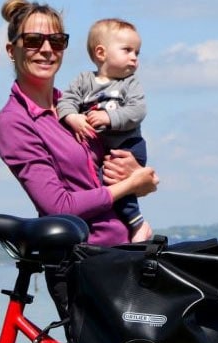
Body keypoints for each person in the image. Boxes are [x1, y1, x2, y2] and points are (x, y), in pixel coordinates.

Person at [0, 0, 159, 247]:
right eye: (33, 40)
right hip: (83, 261)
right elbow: (59, 206)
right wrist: (130, 185)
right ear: (11, 50)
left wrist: (138, 176)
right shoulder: (15, 121)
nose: (47, 49)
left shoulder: (78, 106)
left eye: (57, 41)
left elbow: (113, 167)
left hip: (126, 250)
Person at [57, 18, 151, 243]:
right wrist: (73, 117)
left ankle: (137, 224)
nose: (134, 58)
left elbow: (137, 111)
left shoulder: (130, 83)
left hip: (127, 146)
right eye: (127, 50)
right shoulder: (83, 80)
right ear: (101, 52)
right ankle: (117, 227)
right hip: (101, 149)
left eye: (137, 52)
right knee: (99, 183)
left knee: (114, 182)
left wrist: (108, 118)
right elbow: (66, 101)